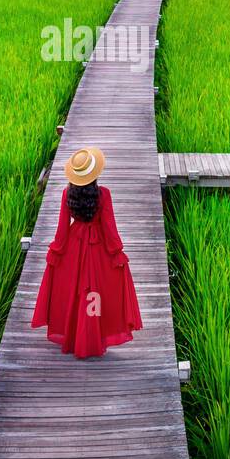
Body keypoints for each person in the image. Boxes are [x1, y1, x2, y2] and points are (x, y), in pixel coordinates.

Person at [31, 146, 143, 359]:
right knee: (94, 293)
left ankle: (75, 337)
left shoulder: (67, 194)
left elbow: (62, 230)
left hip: (74, 246)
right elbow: (109, 228)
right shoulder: (104, 195)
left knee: (75, 291)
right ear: (95, 173)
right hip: (98, 247)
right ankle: (92, 336)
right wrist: (116, 251)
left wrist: (56, 251)